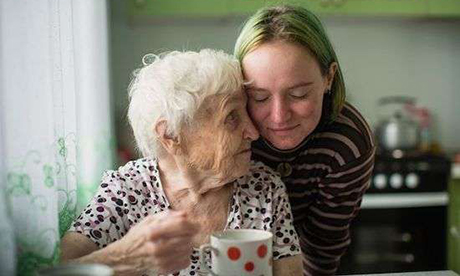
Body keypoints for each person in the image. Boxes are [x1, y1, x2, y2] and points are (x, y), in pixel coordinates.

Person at [60, 49, 303, 276]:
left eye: (246, 113)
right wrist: (126, 257)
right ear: (171, 136)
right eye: (231, 117)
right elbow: (60, 269)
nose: (253, 132)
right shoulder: (125, 189)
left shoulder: (264, 188)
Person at [234, 5, 376, 275]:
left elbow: (322, 246)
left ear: (328, 78)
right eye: (259, 97)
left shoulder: (348, 143)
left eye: (298, 94)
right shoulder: (227, 133)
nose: (279, 117)